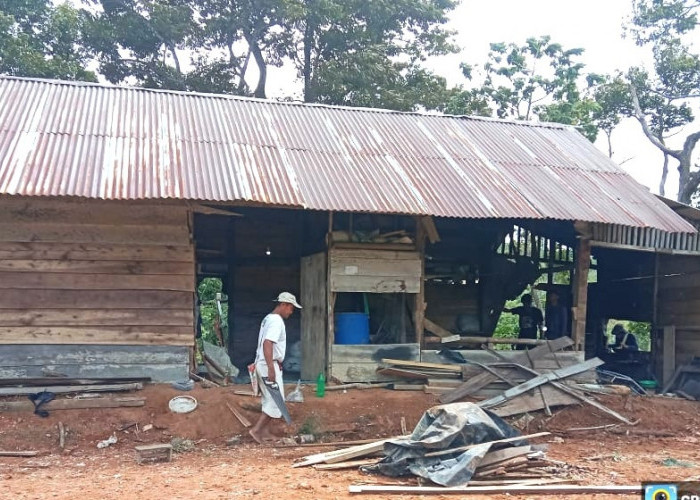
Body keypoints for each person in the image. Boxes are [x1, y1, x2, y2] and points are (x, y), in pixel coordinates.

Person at [249, 292, 302, 444]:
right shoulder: (276, 321)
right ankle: (257, 430)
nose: (291, 312)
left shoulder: (268, 318)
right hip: (268, 364)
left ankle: (265, 431)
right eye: (291, 308)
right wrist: (271, 368)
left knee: (269, 399)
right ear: (284, 305)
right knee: (276, 401)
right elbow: (268, 343)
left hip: (265, 363)